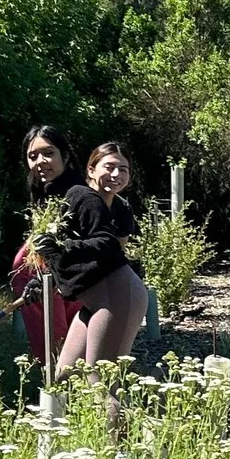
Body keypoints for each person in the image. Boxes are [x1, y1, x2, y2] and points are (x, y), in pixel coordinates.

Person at [52, 141, 149, 378]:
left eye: (123, 169)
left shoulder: (122, 209)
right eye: (109, 167)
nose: (116, 175)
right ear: (91, 170)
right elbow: (62, 248)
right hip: (96, 298)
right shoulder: (81, 197)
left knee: (102, 383)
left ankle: (114, 415)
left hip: (116, 296)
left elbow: (112, 255)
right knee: (64, 377)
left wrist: (61, 249)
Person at [8, 123, 86, 373]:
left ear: (65, 155)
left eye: (48, 153)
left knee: (69, 358)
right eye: (32, 156)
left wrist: (47, 279)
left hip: (65, 293)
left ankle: (67, 396)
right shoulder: (44, 195)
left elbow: (87, 248)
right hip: (42, 297)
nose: (40, 161)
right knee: (54, 360)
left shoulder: (78, 196)